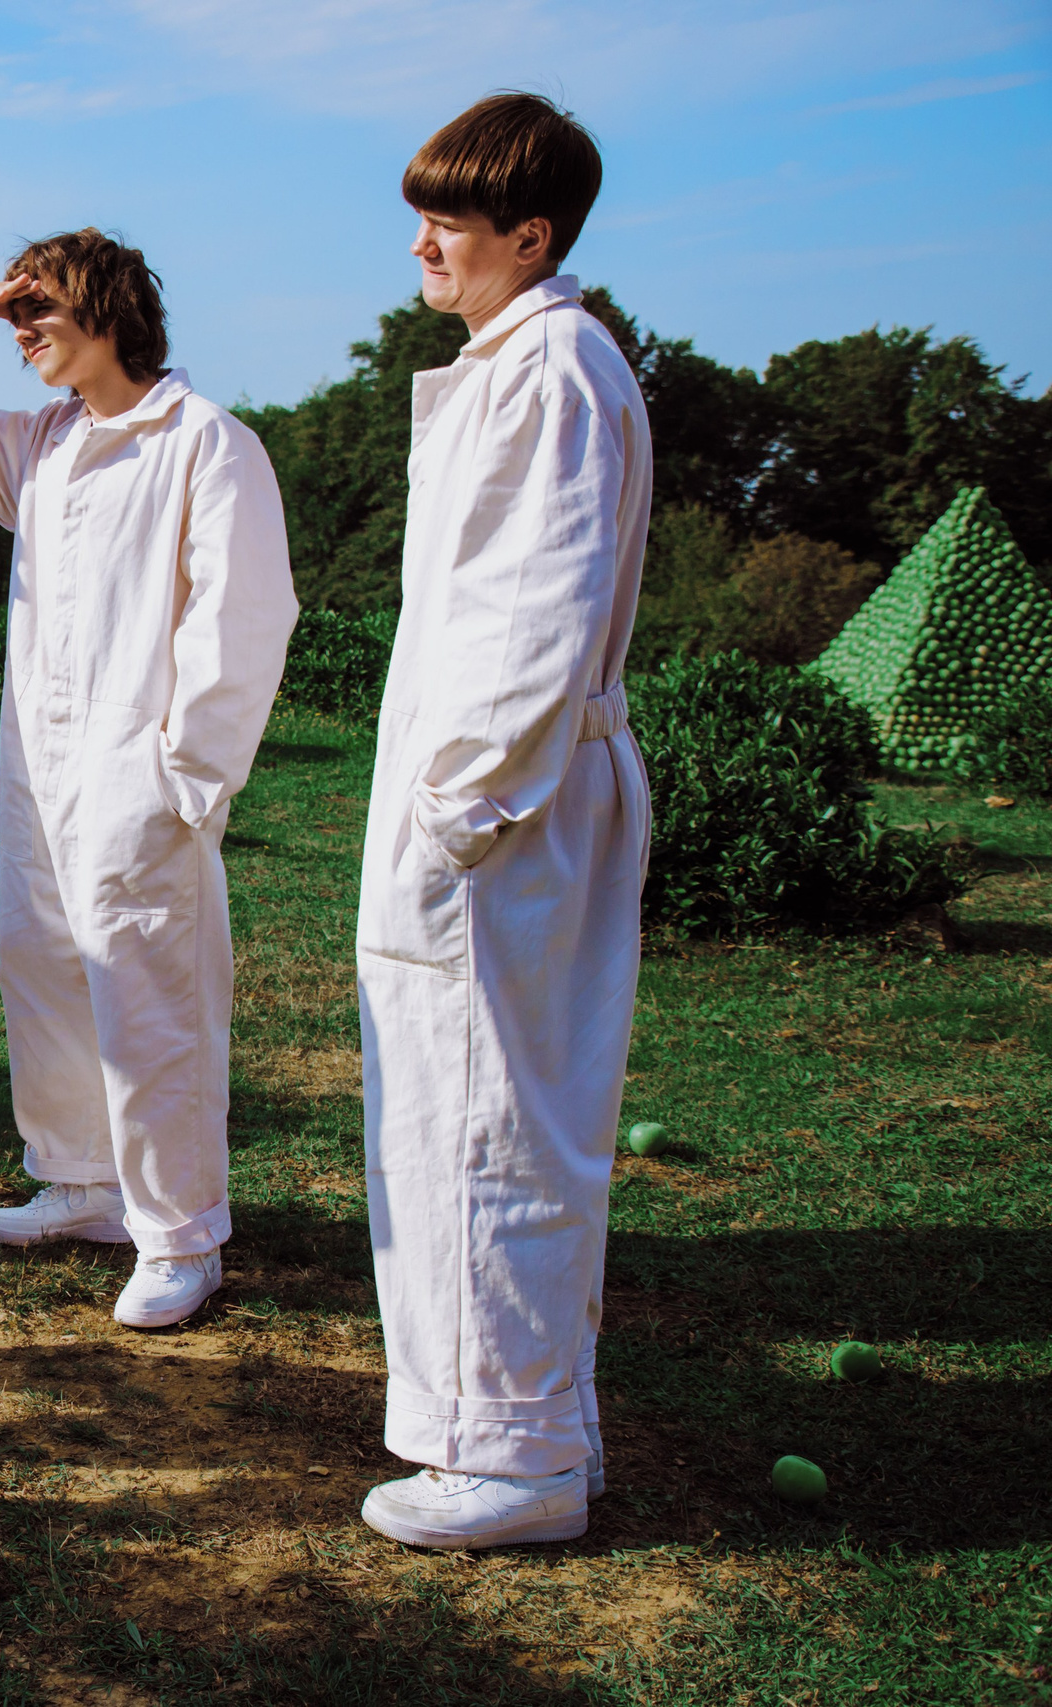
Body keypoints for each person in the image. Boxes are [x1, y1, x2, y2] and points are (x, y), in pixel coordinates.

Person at [0, 231, 297, 1329]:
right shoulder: (48, 444)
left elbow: (244, 614)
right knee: (42, 960)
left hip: (140, 766)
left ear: (107, 308)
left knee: (146, 986)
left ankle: (180, 1233)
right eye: (13, 317)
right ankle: (80, 1180)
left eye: (39, 313)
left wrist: (189, 776)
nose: (22, 336)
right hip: (42, 763)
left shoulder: (203, 442)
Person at [352, 94, 653, 1549]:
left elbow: (540, 604)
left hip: (507, 800)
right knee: (476, 1108)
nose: (422, 241)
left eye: (448, 221)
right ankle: (537, 1424)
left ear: (530, 237)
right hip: (503, 789)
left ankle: (514, 1456)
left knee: (488, 1119)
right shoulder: (522, 360)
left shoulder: (554, 368)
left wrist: (455, 810)